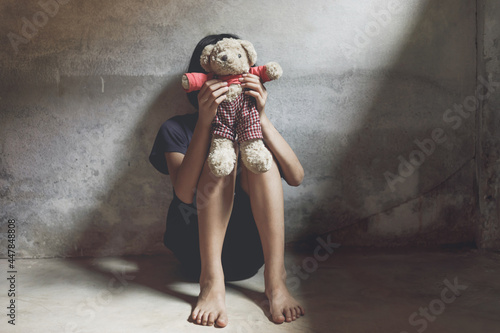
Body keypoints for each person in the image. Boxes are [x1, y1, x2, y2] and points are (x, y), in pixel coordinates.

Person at [149, 33, 305, 327]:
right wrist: (207, 123)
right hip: (195, 251)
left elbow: (296, 177)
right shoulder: (175, 128)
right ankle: (211, 282)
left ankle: (276, 281)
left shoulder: (251, 127)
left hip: (250, 251)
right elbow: (183, 193)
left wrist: (259, 116)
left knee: (263, 163)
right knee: (220, 164)